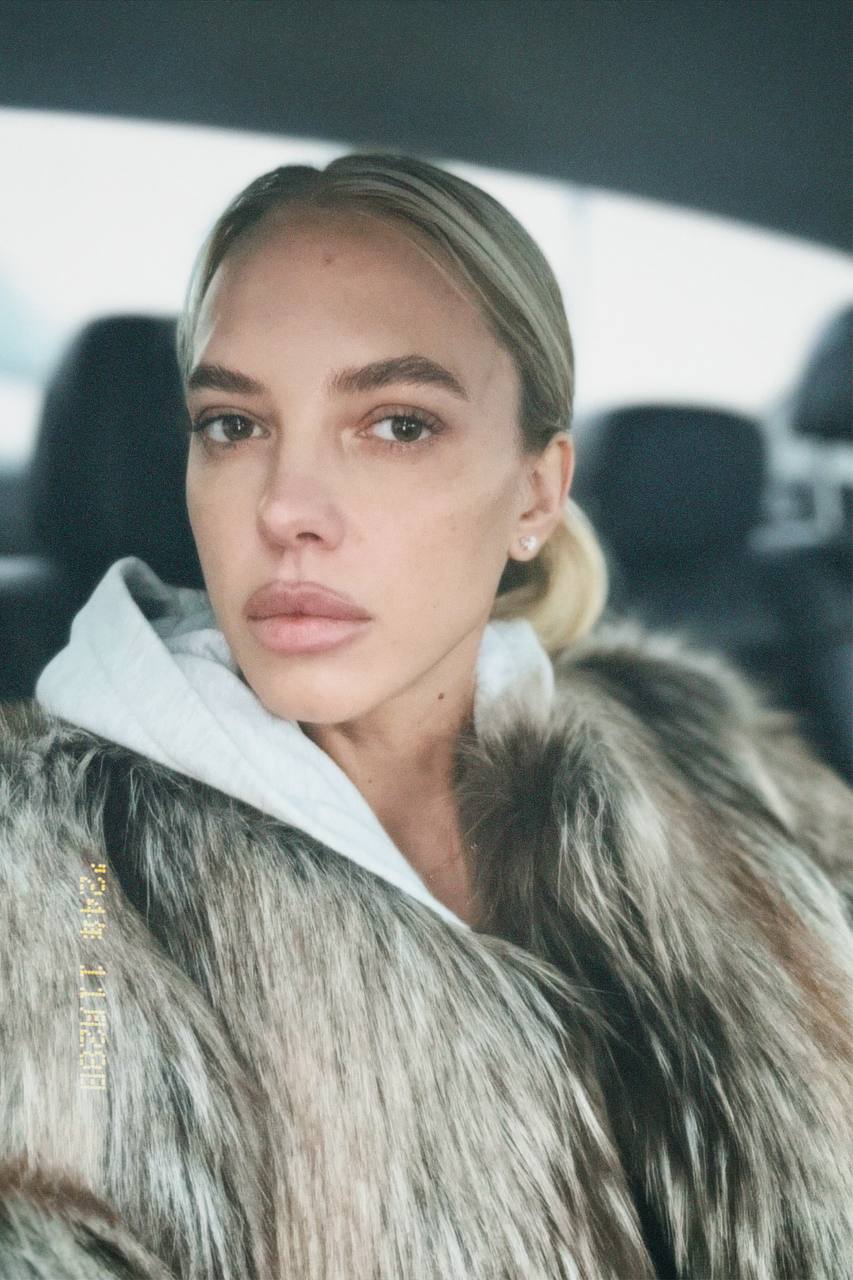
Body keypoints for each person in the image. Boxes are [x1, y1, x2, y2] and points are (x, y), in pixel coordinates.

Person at [0, 154, 850, 1279]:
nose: (286, 509)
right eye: (233, 424)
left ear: (536, 493)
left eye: (397, 424)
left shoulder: (719, 762)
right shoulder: (43, 877)